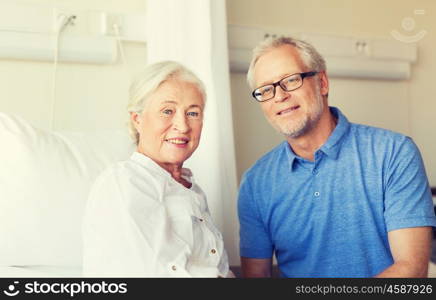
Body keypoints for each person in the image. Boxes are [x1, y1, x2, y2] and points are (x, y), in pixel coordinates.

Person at [237, 36, 436, 278]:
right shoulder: (256, 184)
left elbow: (412, 270)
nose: (279, 96)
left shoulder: (394, 153)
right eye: (266, 90)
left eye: (291, 80)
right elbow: (256, 279)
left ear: (322, 83)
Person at [83, 61, 232, 277]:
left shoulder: (193, 191)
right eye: (167, 111)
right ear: (138, 120)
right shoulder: (124, 182)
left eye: (193, 113)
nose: (182, 125)